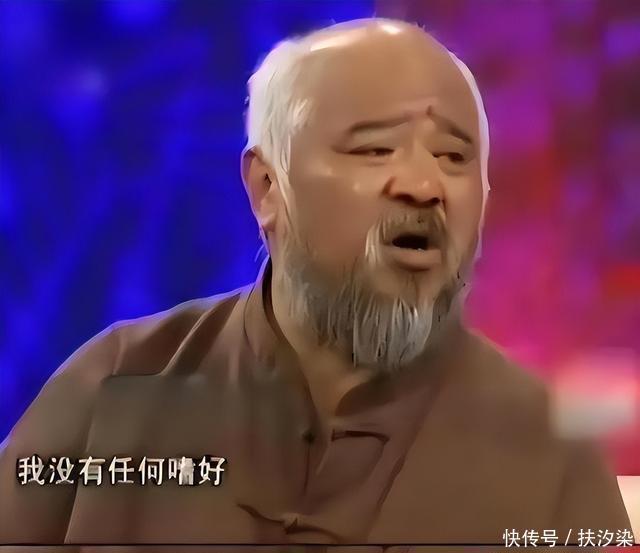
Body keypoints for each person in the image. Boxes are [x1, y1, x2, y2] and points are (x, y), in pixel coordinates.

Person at [0, 18, 632, 548]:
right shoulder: (117, 385)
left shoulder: (549, 458)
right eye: (375, 149)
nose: (423, 185)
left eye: (453, 157)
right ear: (267, 189)